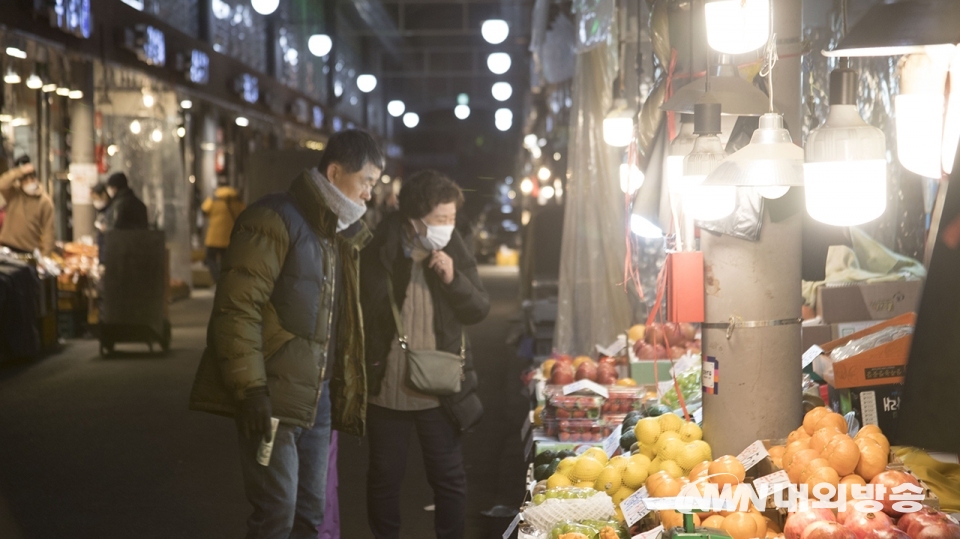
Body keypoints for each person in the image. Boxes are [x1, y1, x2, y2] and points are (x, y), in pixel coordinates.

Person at [189, 129, 384, 539]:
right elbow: (236, 310)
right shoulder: (272, 219)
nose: (369, 194)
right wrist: (251, 390)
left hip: (317, 395)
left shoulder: (333, 232)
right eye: (366, 181)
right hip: (272, 394)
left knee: (309, 512)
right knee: (276, 512)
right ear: (335, 172)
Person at [361, 170, 490, 539]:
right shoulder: (378, 248)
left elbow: (478, 308)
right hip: (386, 387)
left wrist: (453, 279)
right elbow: (361, 312)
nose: (447, 227)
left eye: (451, 219)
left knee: (449, 478)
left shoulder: (454, 246)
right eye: (440, 220)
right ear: (414, 217)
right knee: (384, 477)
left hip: (441, 386)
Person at [0, 156, 55, 255]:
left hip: (29, 251)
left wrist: (45, 256)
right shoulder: (14, 193)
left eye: (32, 179)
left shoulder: (45, 202)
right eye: (25, 180)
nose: (29, 182)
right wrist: (20, 171)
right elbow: (2, 183)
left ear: (36, 179)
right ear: (20, 182)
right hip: (7, 247)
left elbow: (49, 232)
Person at [201, 177, 246, 284]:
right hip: (230, 237)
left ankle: (217, 279)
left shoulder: (214, 197)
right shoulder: (237, 199)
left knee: (210, 258)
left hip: (214, 237)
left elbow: (204, 210)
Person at [91, 183, 111, 255]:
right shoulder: (101, 210)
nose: (95, 202)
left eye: (95, 198)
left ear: (104, 194)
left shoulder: (111, 209)